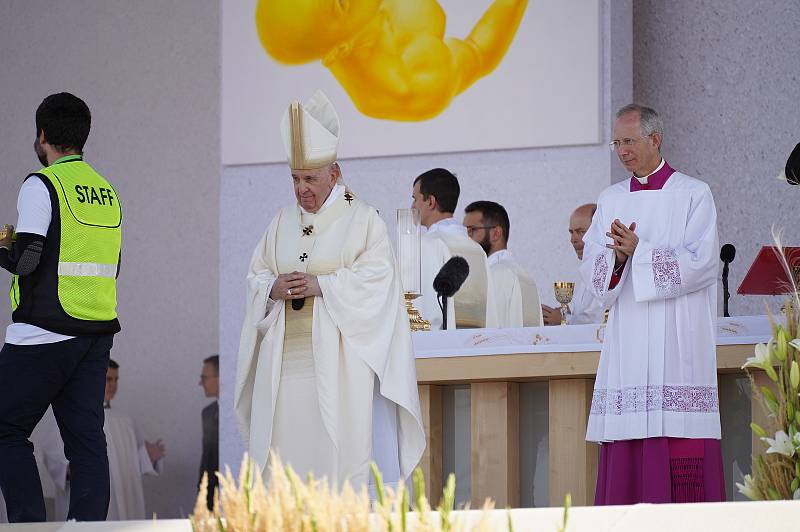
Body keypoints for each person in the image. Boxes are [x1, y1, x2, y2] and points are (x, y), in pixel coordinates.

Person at [235, 90, 424, 490]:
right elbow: (255, 275)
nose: (301, 188)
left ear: (334, 174)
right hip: (284, 369)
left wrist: (323, 285)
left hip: (339, 369)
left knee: (337, 463)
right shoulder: (281, 221)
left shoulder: (363, 219)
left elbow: (379, 280)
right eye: (295, 178)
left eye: (310, 179)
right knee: (283, 462)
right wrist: (272, 287)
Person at [581, 104, 723, 505]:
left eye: (629, 141)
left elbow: (703, 263)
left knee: (678, 440)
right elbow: (594, 268)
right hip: (629, 337)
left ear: (655, 139)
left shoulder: (694, 194)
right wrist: (618, 260)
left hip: (678, 337)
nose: (622, 150)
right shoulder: (610, 199)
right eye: (616, 143)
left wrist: (640, 253)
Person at [0, 93, 122, 522]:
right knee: (86, 441)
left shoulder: (42, 183)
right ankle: (88, 528)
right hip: (95, 333)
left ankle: (28, 529)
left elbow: (27, 258)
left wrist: (1, 245)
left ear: (43, 136)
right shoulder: (106, 191)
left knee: (6, 430)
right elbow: (113, 264)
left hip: (42, 332)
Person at [38, 360, 165, 521]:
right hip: (90, 498)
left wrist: (149, 456)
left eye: (116, 380)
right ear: (93, 379)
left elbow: (132, 464)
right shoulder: (70, 417)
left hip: (125, 504)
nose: (113, 385)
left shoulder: (126, 422)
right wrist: (71, 470)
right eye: (108, 379)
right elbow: (55, 460)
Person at [412, 169, 499, 329]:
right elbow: (490, 312)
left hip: (437, 349)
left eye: (415, 199)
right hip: (476, 347)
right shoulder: (476, 249)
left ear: (430, 201)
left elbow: (421, 310)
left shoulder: (427, 244)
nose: (412, 206)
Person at [463, 200, 542, 327]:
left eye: (472, 230)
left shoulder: (496, 274)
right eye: (466, 231)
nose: (467, 237)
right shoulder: (523, 274)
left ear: (496, 233)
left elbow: (488, 335)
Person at [542, 204, 606, 325]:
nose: (573, 239)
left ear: (600, 232)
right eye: (571, 232)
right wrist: (565, 313)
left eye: (581, 232)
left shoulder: (608, 271)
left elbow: (601, 319)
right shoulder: (589, 270)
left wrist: (563, 319)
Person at [198, 355, 219, 510]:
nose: (200, 383)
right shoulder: (208, 412)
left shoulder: (238, 411)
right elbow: (206, 458)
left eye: (204, 378)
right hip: (209, 497)